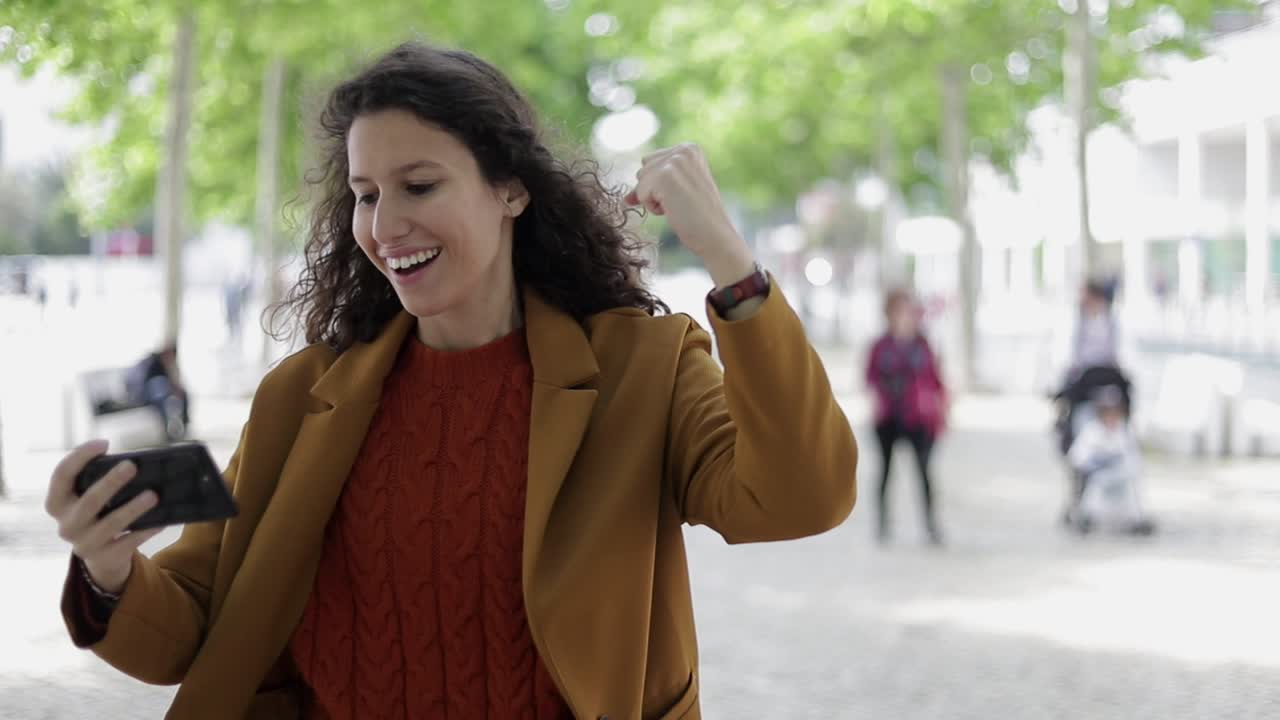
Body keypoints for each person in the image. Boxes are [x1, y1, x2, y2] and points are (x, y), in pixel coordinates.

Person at [44, 43, 857, 719]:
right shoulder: (302, 397)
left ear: (511, 188)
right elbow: (193, 626)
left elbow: (800, 497)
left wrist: (733, 268)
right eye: (366, 195)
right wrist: (112, 570)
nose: (385, 225)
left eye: (419, 186)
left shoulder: (643, 370)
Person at [865, 288, 947, 545]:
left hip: (917, 417)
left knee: (923, 472)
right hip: (889, 416)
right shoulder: (880, 346)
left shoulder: (923, 345)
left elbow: (936, 380)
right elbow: (870, 377)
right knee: (885, 472)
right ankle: (882, 526)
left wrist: (941, 412)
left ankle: (931, 526)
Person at [1066, 385, 1155, 535]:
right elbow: (1077, 457)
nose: (1111, 416)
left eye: (1115, 412)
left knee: (1131, 490)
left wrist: (1121, 466)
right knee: (1095, 488)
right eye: (1107, 412)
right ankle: (1086, 518)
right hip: (1098, 476)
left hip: (1121, 477)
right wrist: (1096, 463)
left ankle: (1137, 520)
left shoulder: (1125, 432)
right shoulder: (1092, 431)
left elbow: (1134, 460)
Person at [124, 342, 189, 441]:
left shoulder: (166, 365)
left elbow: (174, 382)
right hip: (150, 393)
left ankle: (183, 424)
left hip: (160, 392)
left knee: (181, 393)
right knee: (159, 389)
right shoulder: (152, 366)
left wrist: (177, 389)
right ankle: (169, 430)